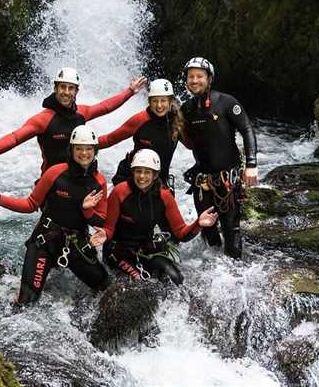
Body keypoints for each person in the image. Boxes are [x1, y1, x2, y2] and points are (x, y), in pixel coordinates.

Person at [0, 125, 110, 304]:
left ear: (95, 151)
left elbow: (99, 220)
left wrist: (87, 209)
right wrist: (0, 199)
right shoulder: (55, 173)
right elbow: (31, 204)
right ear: (71, 150)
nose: (84, 153)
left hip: (75, 244)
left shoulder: (99, 182)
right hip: (46, 241)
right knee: (27, 301)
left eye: (89, 149)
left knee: (105, 286)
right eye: (79, 148)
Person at [0, 68, 147, 174]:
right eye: (62, 87)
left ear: (76, 92)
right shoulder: (43, 120)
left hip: (82, 174)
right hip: (53, 179)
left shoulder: (82, 113)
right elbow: (14, 138)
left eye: (70, 88)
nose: (66, 92)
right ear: (55, 89)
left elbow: (106, 107)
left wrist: (130, 92)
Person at [103, 149, 218, 285]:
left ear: (155, 175)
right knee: (142, 283)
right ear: (132, 172)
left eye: (147, 172)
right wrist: (102, 235)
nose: (142, 176)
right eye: (138, 171)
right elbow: (109, 228)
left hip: (147, 251)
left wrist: (198, 223)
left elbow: (181, 233)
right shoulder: (120, 192)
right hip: (119, 253)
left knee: (176, 278)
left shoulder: (164, 196)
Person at [180, 56, 257, 259]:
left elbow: (247, 129)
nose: (194, 81)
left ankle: (235, 274)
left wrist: (251, 164)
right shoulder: (186, 109)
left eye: (199, 76)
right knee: (207, 230)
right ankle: (211, 273)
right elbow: (178, 137)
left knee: (231, 229)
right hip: (202, 181)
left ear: (209, 78)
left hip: (227, 179)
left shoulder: (226, 102)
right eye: (190, 77)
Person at [97, 78, 188, 190]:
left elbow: (193, 146)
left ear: (171, 101)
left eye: (163, 100)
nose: (159, 105)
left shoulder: (178, 122)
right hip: (131, 178)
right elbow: (109, 139)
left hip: (159, 182)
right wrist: (83, 146)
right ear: (149, 101)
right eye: (155, 101)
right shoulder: (140, 119)